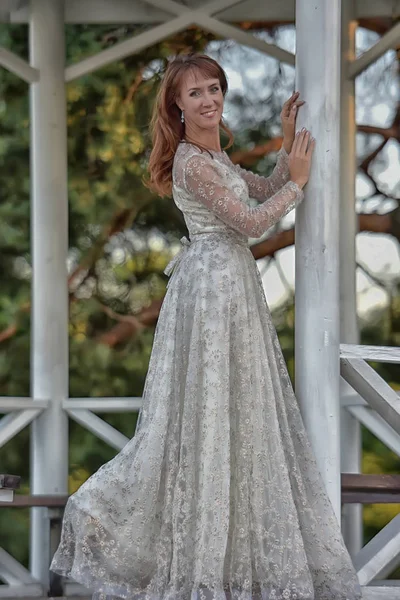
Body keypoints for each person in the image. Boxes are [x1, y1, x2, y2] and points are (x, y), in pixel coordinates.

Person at [51, 53, 362, 600]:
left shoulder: (215, 155)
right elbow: (251, 224)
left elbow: (260, 192)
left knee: (235, 417)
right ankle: (118, 523)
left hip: (233, 287)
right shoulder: (192, 162)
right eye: (195, 93)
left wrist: (287, 151)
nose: (209, 99)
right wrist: (302, 184)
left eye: (215, 88)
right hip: (213, 292)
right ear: (176, 104)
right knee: (207, 416)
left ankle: (230, 561)